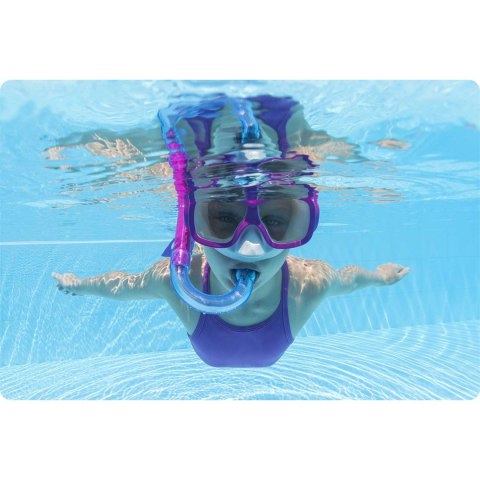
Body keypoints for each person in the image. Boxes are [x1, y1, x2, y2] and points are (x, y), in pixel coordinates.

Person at [52, 94, 410, 368]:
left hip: (251, 345)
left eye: (275, 221)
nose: (250, 246)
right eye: (223, 217)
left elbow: (349, 281)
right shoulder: (179, 280)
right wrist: (80, 285)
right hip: (222, 344)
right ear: (192, 226)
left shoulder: (309, 284)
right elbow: (124, 286)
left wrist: (379, 277)